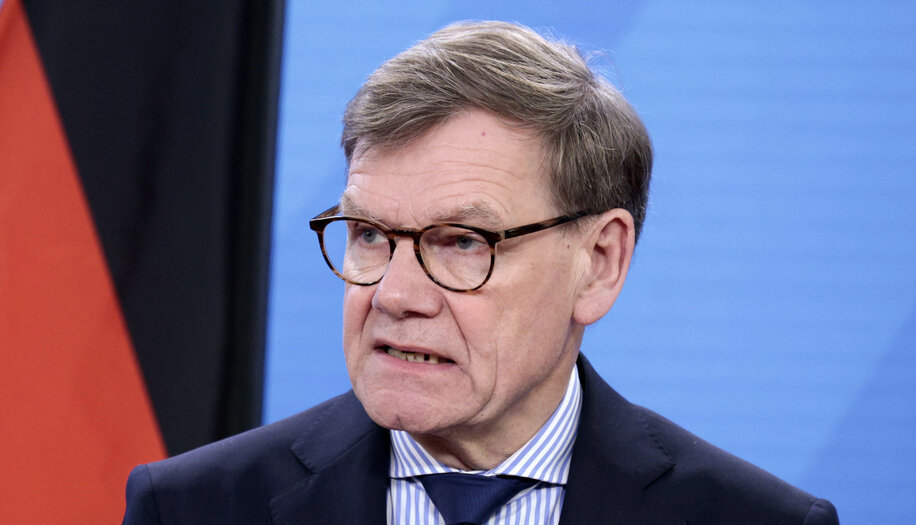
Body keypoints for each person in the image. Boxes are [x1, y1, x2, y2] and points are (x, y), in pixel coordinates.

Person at [122, 21, 838, 524]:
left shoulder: (754, 519)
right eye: (369, 233)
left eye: (461, 242)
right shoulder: (192, 508)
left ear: (599, 263)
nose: (394, 295)